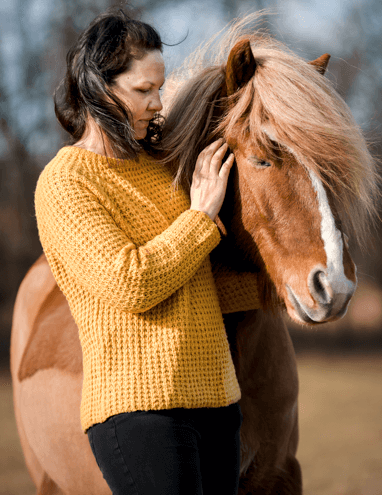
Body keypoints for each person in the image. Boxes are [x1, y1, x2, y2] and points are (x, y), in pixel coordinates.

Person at [35, 8, 260, 495]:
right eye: (143, 91)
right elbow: (132, 282)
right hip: (141, 410)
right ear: (97, 88)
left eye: (160, 88)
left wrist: (286, 278)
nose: (159, 104)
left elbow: (195, 280)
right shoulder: (66, 181)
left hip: (219, 401)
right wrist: (200, 216)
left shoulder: (162, 166)